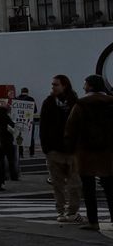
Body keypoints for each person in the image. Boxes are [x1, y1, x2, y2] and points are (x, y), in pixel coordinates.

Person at [64, 74, 113, 231]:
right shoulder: (111, 103)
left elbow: (70, 129)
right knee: (111, 188)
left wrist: (69, 149)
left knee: (88, 188)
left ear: (90, 86)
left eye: (85, 83)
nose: (83, 86)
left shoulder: (81, 105)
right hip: (108, 152)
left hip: (85, 152)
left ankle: (93, 221)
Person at [40, 74, 82, 223]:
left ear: (64, 85)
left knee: (74, 184)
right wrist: (46, 148)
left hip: (71, 150)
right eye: (52, 85)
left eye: (56, 84)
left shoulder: (74, 102)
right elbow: (43, 127)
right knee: (58, 184)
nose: (53, 87)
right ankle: (62, 211)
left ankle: (72, 211)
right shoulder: (49, 102)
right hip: (55, 150)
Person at [14, 87, 37, 158]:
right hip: (28, 121)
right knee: (30, 137)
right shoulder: (31, 99)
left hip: (19, 121)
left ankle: (20, 154)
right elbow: (35, 110)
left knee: (19, 137)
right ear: (27, 92)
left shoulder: (16, 99)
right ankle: (31, 153)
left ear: (21, 92)